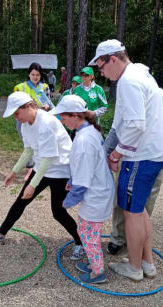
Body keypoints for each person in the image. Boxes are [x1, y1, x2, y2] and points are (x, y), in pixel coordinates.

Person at [88, 39, 163, 281]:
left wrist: (116, 154)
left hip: (141, 157)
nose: (101, 73)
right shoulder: (140, 73)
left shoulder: (128, 81)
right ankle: (147, 263)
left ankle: (134, 268)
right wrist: (109, 149)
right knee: (140, 210)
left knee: (130, 212)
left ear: (113, 59)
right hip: (155, 153)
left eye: (101, 66)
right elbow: (121, 121)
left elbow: (135, 125)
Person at [0, 92, 85, 261]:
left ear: (28, 106)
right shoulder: (25, 124)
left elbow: (49, 157)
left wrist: (33, 184)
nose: (15, 117)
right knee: (21, 201)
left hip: (60, 169)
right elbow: (29, 150)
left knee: (58, 212)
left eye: (16, 112)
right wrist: (14, 171)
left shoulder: (47, 123)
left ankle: (80, 243)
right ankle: (1, 233)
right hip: (42, 167)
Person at [105, 87, 163, 258]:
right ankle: (118, 237)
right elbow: (118, 127)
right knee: (122, 199)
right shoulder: (130, 96)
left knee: (145, 201)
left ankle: (136, 239)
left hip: (154, 157)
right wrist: (106, 152)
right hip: (129, 154)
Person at [50, 95, 114, 284]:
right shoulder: (88, 131)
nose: (61, 120)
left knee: (88, 235)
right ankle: (94, 264)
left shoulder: (84, 139)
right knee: (88, 231)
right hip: (98, 190)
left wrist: (68, 200)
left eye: (63, 116)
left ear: (76, 115)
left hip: (96, 194)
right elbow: (85, 166)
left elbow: (84, 179)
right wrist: (72, 178)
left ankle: (97, 271)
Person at [14, 62, 54, 170]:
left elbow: (48, 102)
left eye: (37, 75)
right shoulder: (20, 87)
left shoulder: (45, 87)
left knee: (39, 141)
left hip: (39, 119)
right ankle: (30, 164)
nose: (35, 77)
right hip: (23, 119)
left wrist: (46, 107)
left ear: (41, 76)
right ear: (29, 75)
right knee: (26, 140)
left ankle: (38, 164)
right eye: (33, 74)